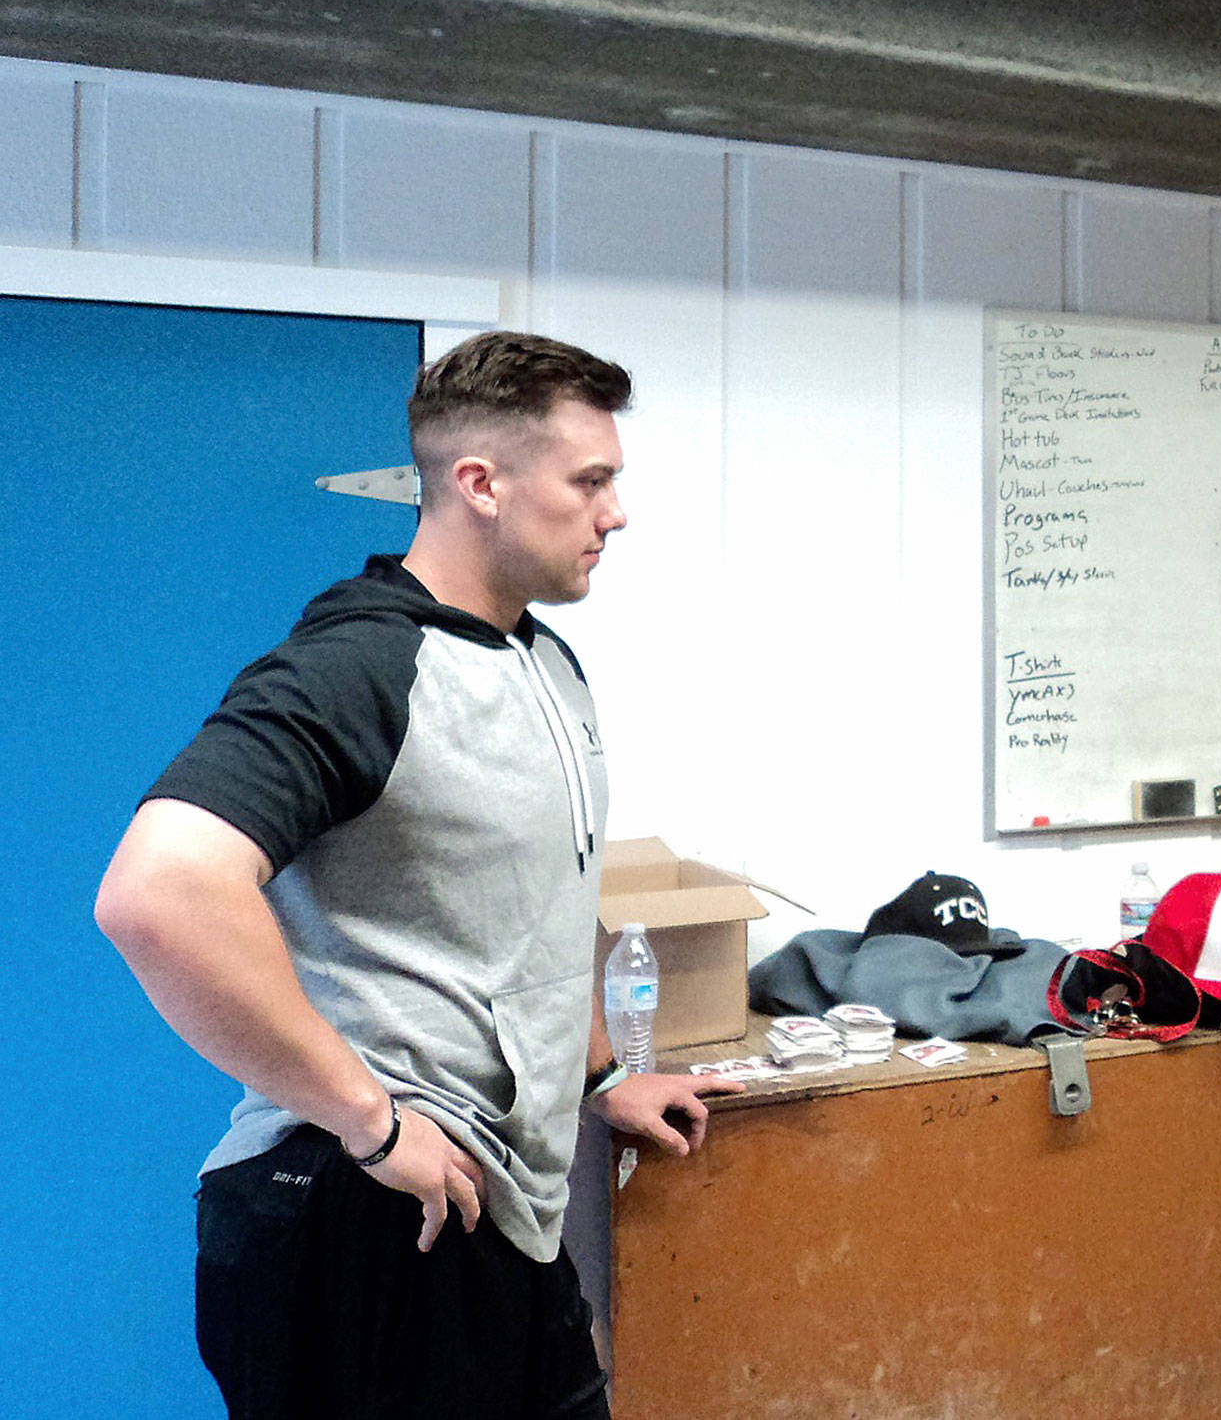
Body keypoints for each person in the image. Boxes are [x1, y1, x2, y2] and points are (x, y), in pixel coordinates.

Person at [95, 331, 742, 1420]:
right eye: (590, 482)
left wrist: (597, 1077)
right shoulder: (359, 666)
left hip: (497, 1218)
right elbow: (158, 892)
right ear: (479, 483)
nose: (613, 513)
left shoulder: (543, 662)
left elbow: (535, 904)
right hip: (370, 1215)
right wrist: (370, 1120)